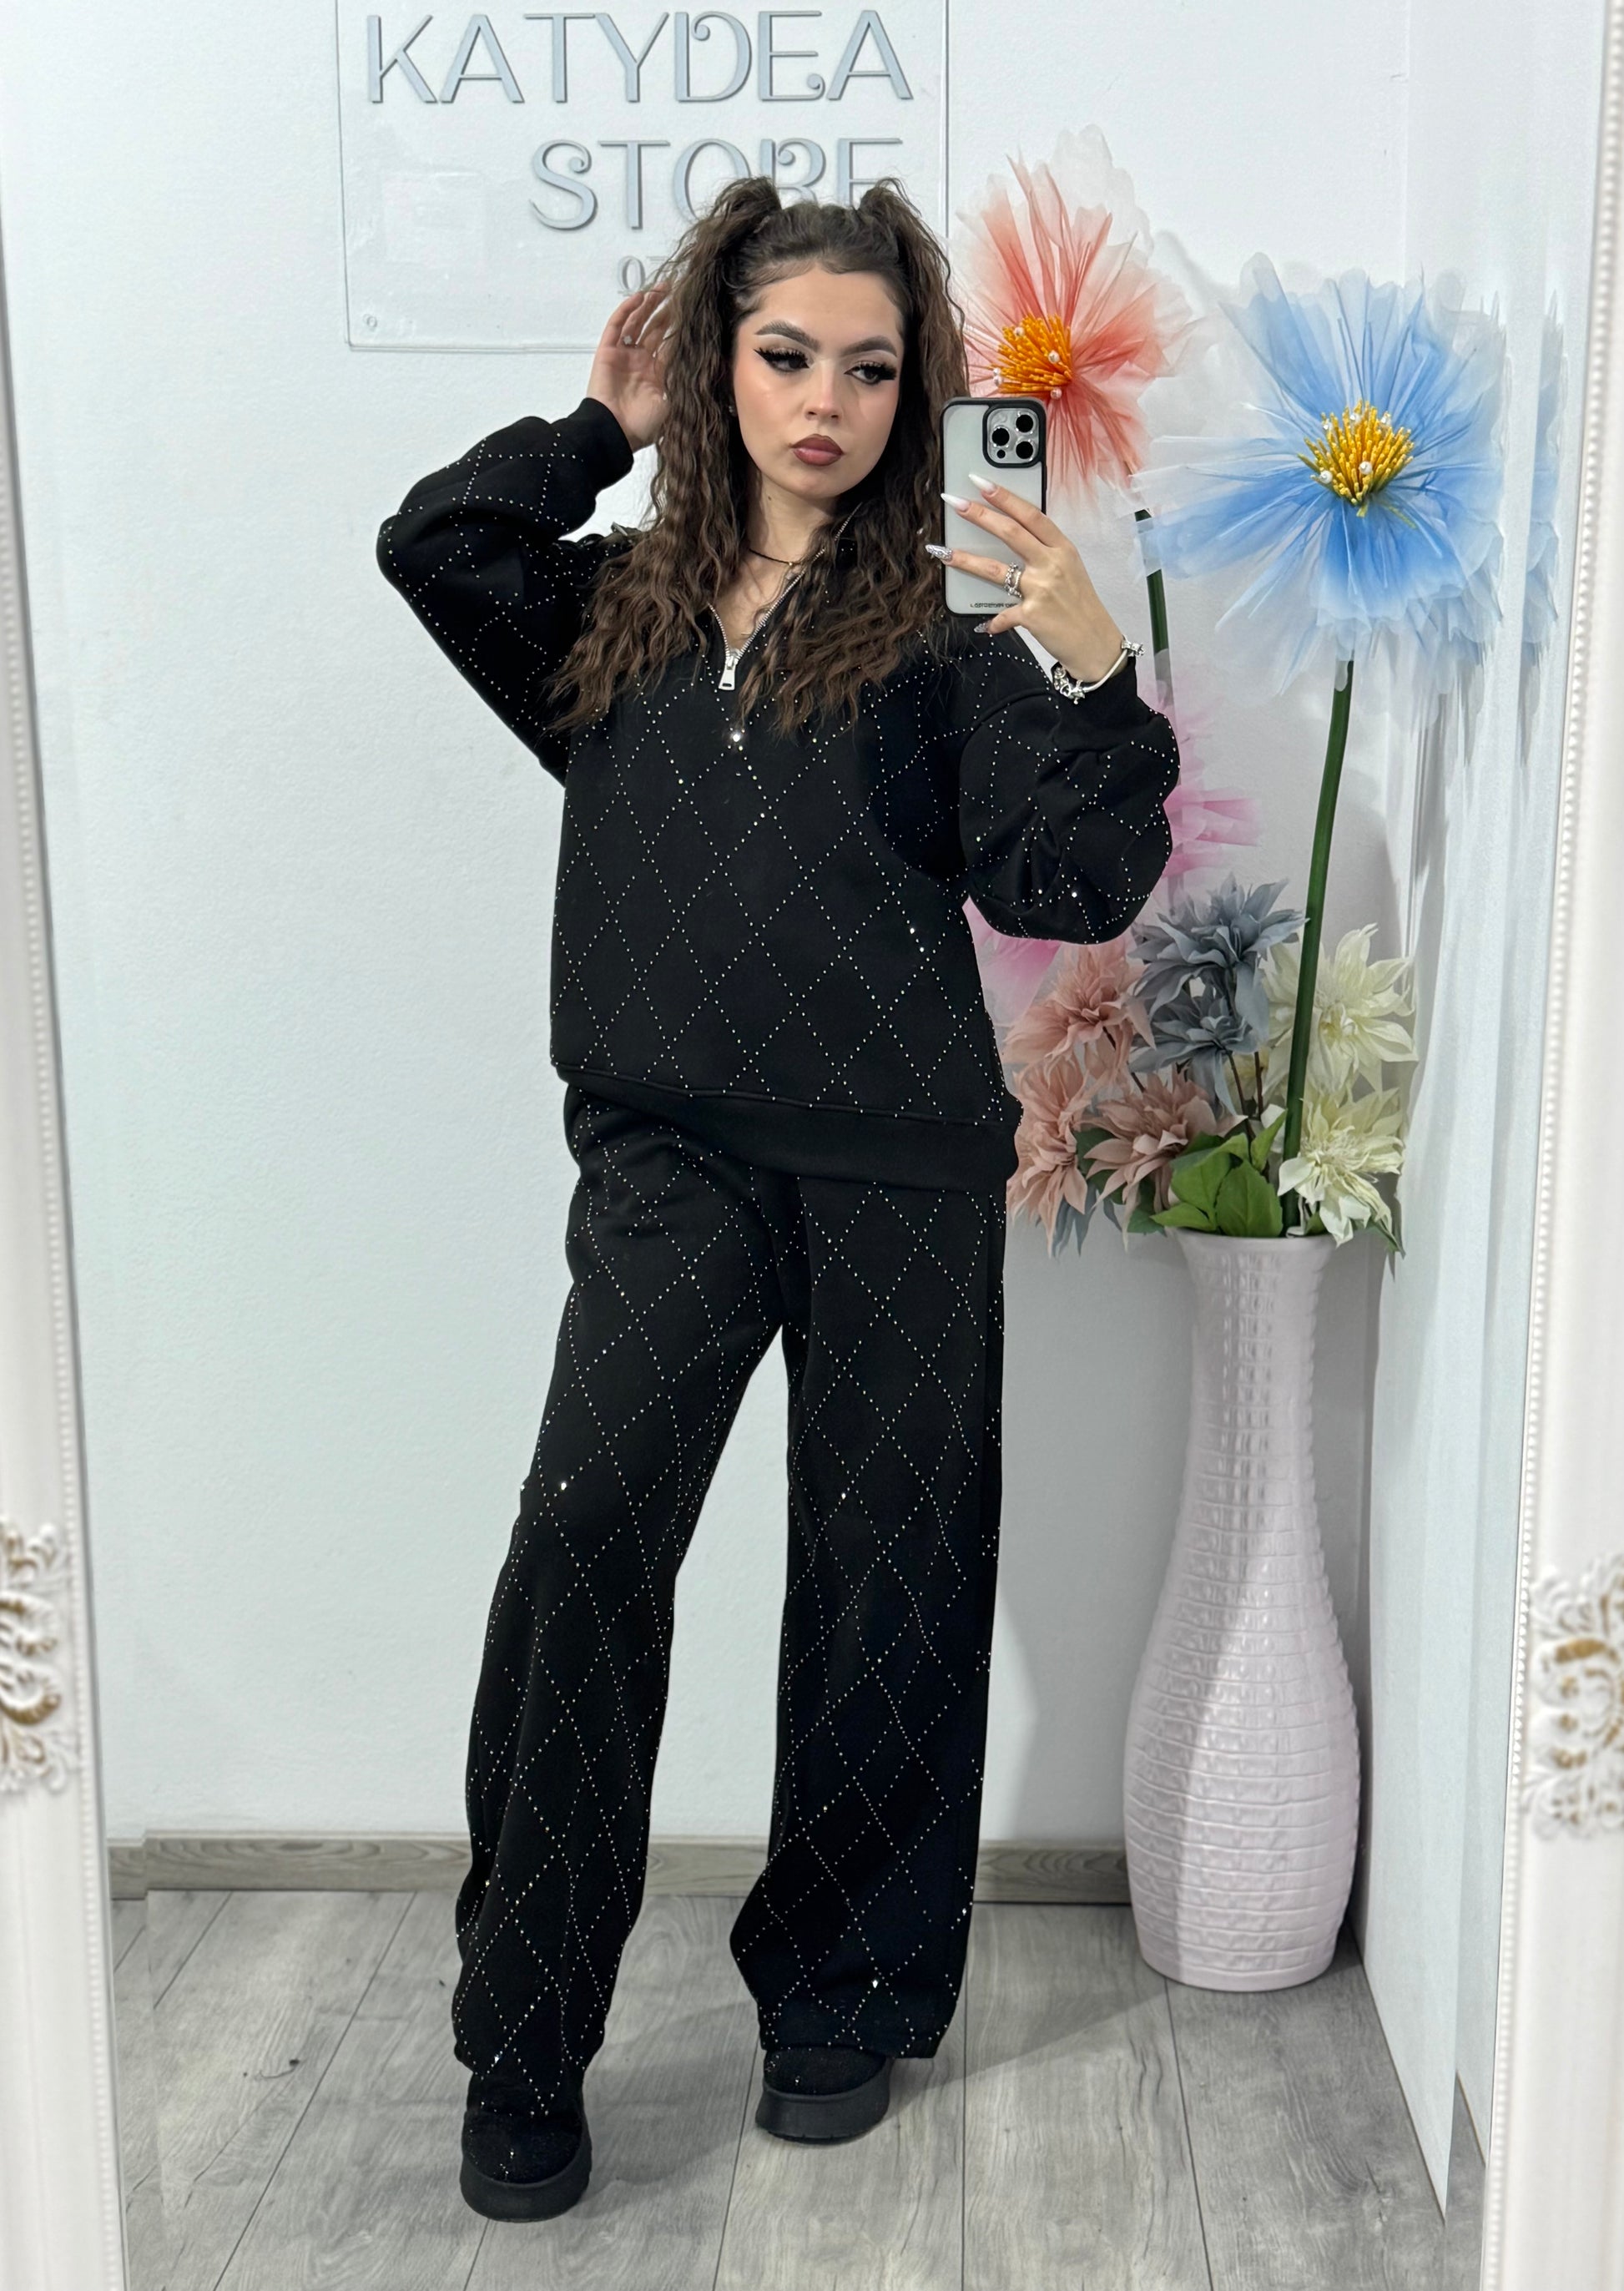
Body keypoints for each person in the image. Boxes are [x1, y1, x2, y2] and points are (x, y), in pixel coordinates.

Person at [376, 174, 1178, 2223]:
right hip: (670, 1154)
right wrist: (596, 426)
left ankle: (840, 1997)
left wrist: (1092, 664)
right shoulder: (610, 611)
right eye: (785, 354)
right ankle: (523, 2037)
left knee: (886, 1580)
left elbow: (1069, 881)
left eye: (871, 367)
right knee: (584, 1539)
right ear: (715, 360)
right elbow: (433, 543)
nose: (825, 401)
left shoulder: (949, 622)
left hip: (903, 1164)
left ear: (915, 392)